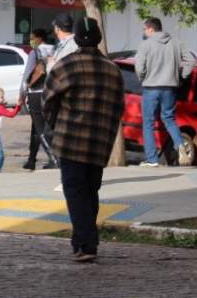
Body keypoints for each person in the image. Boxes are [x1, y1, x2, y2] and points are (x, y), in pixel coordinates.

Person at [43, 17, 125, 263]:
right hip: (99, 143)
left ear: (76, 38)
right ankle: (86, 241)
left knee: (76, 192)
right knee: (90, 192)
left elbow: (48, 102)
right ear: (98, 38)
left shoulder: (66, 66)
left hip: (70, 140)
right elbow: (119, 107)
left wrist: (57, 125)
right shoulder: (113, 70)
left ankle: (86, 243)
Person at [135, 17, 197, 167]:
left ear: (150, 28)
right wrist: (182, 75)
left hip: (151, 88)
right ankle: (180, 144)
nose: (144, 32)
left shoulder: (145, 45)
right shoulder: (176, 43)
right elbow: (191, 60)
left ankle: (152, 159)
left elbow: (139, 67)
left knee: (148, 123)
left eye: (145, 29)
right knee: (169, 119)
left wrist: (143, 78)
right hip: (170, 87)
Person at [19, 29, 58, 171]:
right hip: (51, 92)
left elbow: (27, 75)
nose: (31, 41)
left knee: (39, 128)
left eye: (32, 38)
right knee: (37, 127)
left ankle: (54, 158)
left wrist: (22, 94)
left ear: (40, 39)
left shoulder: (34, 53)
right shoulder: (55, 50)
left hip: (36, 92)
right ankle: (31, 159)